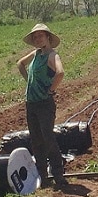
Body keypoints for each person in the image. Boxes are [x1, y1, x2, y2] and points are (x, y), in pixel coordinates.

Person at [16, 23, 67, 188]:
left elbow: (60, 73)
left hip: (45, 104)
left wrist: (51, 90)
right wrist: (30, 82)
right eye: (35, 37)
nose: (38, 39)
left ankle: (59, 175)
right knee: (36, 140)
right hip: (31, 103)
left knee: (48, 139)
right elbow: (20, 64)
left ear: (48, 37)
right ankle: (43, 176)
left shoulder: (52, 55)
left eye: (41, 36)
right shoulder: (36, 54)